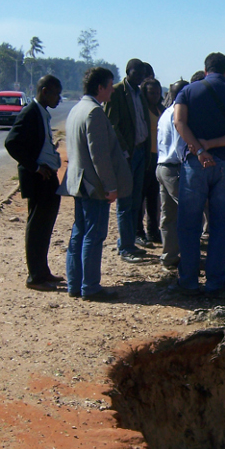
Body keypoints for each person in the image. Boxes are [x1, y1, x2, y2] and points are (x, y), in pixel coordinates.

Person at [173, 52, 225, 294]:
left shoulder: (187, 92)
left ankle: (188, 280)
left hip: (195, 164)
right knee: (221, 226)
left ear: (206, 70)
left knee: (189, 224)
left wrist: (199, 150)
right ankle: (215, 282)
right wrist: (213, 144)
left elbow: (179, 122)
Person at [62, 68, 133, 301]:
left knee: (79, 233)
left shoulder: (77, 109)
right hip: (93, 185)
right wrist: (110, 186)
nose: (113, 90)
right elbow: (99, 156)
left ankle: (75, 283)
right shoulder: (94, 112)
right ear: (100, 87)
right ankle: (90, 286)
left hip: (78, 182)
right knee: (93, 235)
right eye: (110, 85)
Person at [4, 74, 63, 291]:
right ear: (45, 91)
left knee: (45, 225)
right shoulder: (29, 112)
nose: (59, 99)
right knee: (37, 225)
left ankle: (42, 270)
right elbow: (11, 143)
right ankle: (34, 277)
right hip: (38, 178)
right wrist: (35, 167)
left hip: (48, 176)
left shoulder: (42, 112)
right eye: (56, 94)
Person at [104, 59, 151, 262]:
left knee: (135, 201)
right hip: (127, 155)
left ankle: (129, 242)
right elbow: (111, 125)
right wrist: (125, 151)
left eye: (142, 73)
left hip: (141, 152)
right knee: (125, 202)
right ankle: (125, 248)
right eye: (136, 73)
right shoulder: (117, 92)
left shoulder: (140, 93)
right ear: (128, 72)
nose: (140, 76)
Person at [156, 79, 188, 269]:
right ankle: (188, 257)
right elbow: (179, 144)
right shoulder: (178, 114)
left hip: (162, 166)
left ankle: (169, 256)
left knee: (168, 215)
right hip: (175, 168)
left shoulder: (165, 113)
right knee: (188, 213)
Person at [136, 75, 166, 245]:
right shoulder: (142, 110)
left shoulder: (161, 109)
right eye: (151, 93)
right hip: (145, 156)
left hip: (159, 157)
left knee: (154, 197)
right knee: (140, 197)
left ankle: (153, 231)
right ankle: (138, 231)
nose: (155, 96)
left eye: (157, 92)